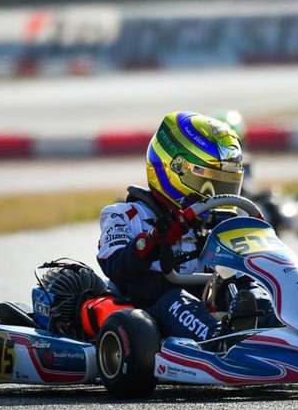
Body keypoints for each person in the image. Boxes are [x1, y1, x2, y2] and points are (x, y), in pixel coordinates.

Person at [96, 111, 259, 344]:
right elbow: (115, 265)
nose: (214, 194)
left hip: (207, 297)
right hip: (150, 309)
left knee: (249, 288)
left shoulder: (213, 220)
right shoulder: (126, 214)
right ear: (174, 169)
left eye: (223, 183)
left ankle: (291, 324)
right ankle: (219, 340)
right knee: (175, 300)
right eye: (207, 181)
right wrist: (157, 238)